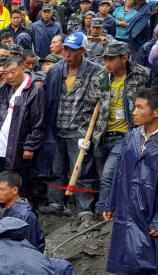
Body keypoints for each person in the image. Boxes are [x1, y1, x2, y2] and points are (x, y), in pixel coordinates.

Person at [99, 87, 158, 275]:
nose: (134, 112)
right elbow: (119, 173)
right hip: (128, 206)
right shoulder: (131, 137)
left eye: (140, 107)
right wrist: (109, 204)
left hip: (152, 207)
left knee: (147, 253)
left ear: (156, 112)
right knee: (127, 250)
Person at [84, 42, 157, 214]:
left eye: (111, 59)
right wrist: (85, 135)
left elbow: (155, 102)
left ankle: (103, 210)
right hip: (102, 135)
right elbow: (88, 107)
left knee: (109, 174)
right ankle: (113, 209)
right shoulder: (100, 77)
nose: (107, 63)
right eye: (105, 59)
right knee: (104, 176)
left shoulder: (142, 75)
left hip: (128, 134)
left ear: (124, 58)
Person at [42, 32, 102, 220]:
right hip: (56, 126)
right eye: (65, 50)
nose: (67, 55)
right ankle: (56, 203)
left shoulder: (95, 71)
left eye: (72, 51)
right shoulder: (55, 70)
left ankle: (84, 208)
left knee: (81, 169)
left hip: (80, 129)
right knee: (55, 167)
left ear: (82, 51)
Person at [0, 56, 45, 193]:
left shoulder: (35, 90)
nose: (9, 76)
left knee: (16, 185)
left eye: (13, 72)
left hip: (18, 146)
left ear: (23, 69)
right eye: (6, 73)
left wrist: (30, 146)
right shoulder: (5, 87)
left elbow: (38, 121)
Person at [0, 170, 45, 252]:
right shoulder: (4, 211)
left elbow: (32, 246)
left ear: (14, 190)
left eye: (2, 190)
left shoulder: (26, 215)